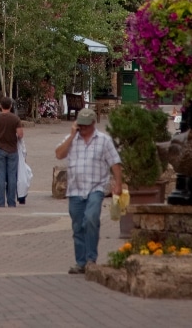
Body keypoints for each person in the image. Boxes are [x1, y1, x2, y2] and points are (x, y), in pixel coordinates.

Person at [55, 107, 123, 274]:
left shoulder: (104, 140)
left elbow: (115, 162)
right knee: (78, 226)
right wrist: (71, 136)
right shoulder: (72, 139)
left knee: (91, 219)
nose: (83, 128)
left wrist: (118, 184)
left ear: (93, 123)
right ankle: (81, 262)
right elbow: (59, 154)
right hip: (75, 190)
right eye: (81, 125)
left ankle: (91, 259)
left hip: (96, 188)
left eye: (86, 125)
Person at [0, 97, 23, 207]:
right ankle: (11, 201)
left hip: (0, 148)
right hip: (12, 149)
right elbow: (20, 134)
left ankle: (0, 201)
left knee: (1, 176)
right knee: (12, 176)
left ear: (0, 106)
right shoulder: (15, 119)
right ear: (11, 106)